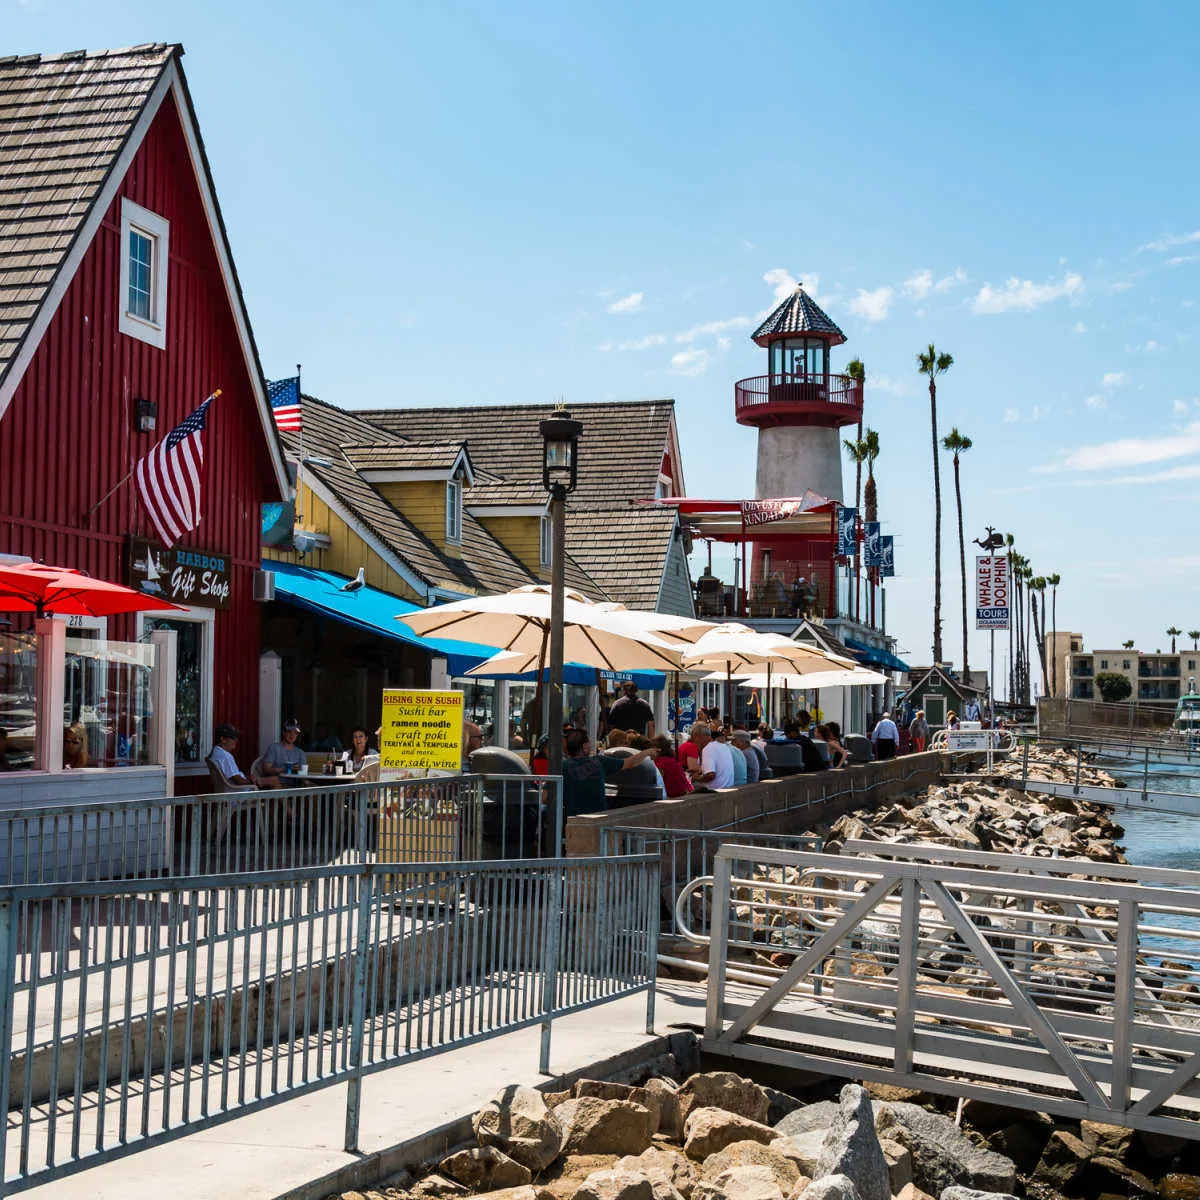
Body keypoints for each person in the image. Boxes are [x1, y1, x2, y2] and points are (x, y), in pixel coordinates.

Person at [560, 729, 654, 818]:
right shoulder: (600, 762)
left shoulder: (562, 767)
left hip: (572, 821)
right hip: (599, 819)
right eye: (589, 743)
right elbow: (630, 763)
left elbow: (545, 798)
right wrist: (646, 753)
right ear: (584, 747)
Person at [258, 718, 306, 787]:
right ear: (284, 732)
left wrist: (299, 771)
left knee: (313, 789)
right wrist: (284, 769)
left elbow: (303, 775)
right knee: (275, 783)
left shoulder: (301, 753)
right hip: (277, 784)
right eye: (289, 732)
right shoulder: (273, 748)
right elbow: (266, 770)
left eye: (295, 732)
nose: (292, 735)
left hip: (295, 786)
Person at [690, 722, 734, 790]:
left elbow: (710, 775)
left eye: (693, 738)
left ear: (697, 736)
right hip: (728, 787)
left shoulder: (707, 748)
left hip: (716, 790)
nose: (693, 742)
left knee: (686, 787)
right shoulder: (722, 746)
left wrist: (696, 778)